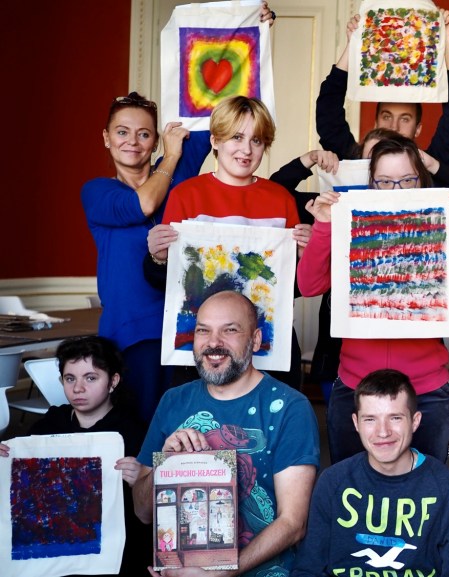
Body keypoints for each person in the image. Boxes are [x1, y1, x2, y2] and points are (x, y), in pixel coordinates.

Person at [297, 134, 449, 464]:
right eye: (384, 181)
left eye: (407, 180)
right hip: (356, 387)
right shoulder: (350, 225)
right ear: (371, 185)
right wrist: (324, 226)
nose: (396, 190)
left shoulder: (441, 225)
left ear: (422, 182)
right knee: (350, 487)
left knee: (426, 487)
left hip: (425, 390)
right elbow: (309, 285)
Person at [132, 290, 320, 577]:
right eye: (203, 330)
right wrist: (165, 465)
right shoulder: (173, 401)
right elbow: (142, 512)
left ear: (255, 340)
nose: (213, 342)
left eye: (229, 330)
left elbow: (293, 524)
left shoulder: (290, 407)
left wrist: (217, 575)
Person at [144, 95, 312, 389]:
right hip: (202, 352)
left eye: (256, 140)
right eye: (236, 137)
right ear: (215, 140)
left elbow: (293, 289)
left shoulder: (281, 199)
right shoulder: (186, 195)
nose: (246, 149)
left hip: (268, 345)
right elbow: (167, 284)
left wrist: (305, 255)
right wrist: (157, 257)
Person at [81, 92, 210, 420]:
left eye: (144, 134)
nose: (132, 141)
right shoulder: (97, 191)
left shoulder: (180, 169)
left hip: (187, 326)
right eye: (122, 132)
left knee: (189, 427)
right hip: (131, 332)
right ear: (106, 138)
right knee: (138, 429)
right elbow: (144, 204)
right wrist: (171, 156)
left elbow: (212, 111)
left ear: (154, 141)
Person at [290, 369, 449, 577]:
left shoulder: (446, 487)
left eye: (395, 418)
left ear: (415, 421)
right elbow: (308, 569)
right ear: (356, 423)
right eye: (370, 419)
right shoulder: (333, 482)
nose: (383, 432)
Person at [0, 336, 148, 577]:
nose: (78, 388)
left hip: (111, 552)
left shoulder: (132, 432)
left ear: (113, 381)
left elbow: (149, 504)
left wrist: (141, 478)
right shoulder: (51, 423)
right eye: (70, 379)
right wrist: (6, 460)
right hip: (54, 545)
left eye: (90, 378)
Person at [317, 10, 449, 170]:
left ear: (418, 129)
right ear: (376, 123)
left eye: (405, 119)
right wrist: (353, 44)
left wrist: (448, 39)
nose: (394, 127)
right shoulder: (353, 163)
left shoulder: (431, 168)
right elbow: (328, 114)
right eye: (386, 116)